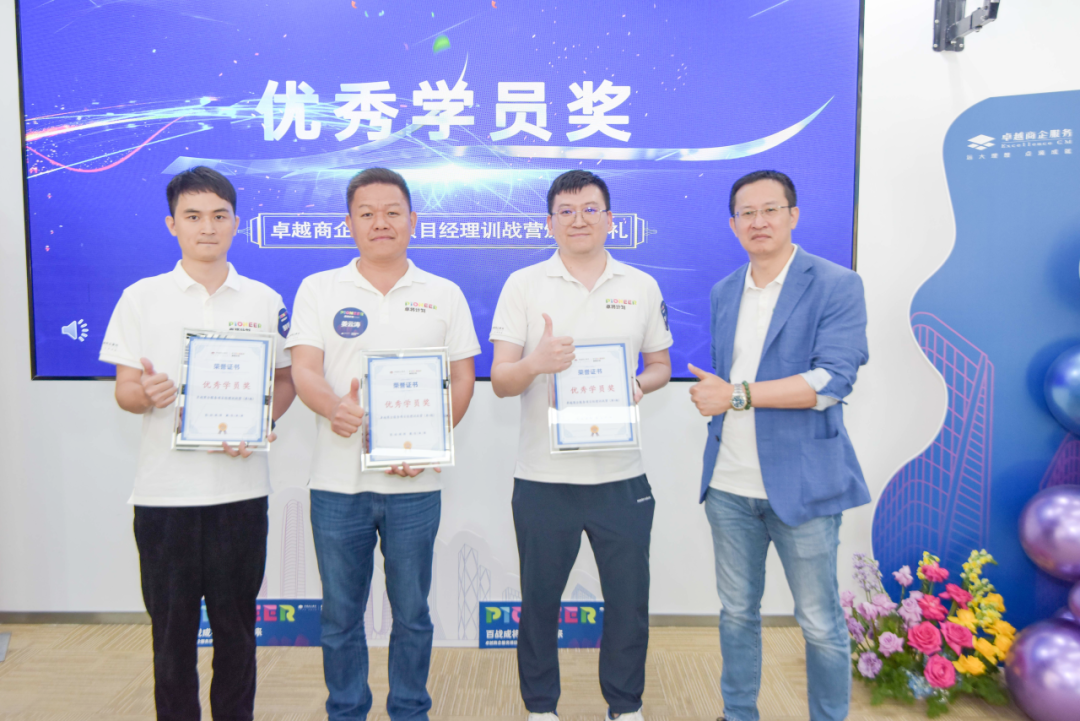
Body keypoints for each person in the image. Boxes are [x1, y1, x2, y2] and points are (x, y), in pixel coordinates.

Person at [99, 166, 296, 721]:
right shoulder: (141, 298)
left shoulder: (263, 300)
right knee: (171, 636)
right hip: (165, 499)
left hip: (241, 494)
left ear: (236, 223)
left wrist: (259, 422)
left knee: (237, 633)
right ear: (172, 224)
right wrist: (145, 393)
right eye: (192, 216)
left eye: (218, 216)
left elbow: (284, 381)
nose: (206, 227)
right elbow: (125, 391)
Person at [287, 167, 480, 721]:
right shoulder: (319, 289)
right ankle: (346, 710)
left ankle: (410, 710)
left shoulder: (443, 294)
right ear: (348, 223)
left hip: (415, 486)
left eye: (393, 212)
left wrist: (429, 443)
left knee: (413, 614)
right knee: (339, 616)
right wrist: (334, 407)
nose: (381, 222)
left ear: (412, 220)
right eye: (367, 213)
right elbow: (305, 370)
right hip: (337, 485)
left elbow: (463, 379)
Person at [490, 170, 673, 721]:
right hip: (543, 478)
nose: (579, 220)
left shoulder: (640, 285)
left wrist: (637, 385)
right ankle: (541, 707)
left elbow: (660, 365)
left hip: (621, 476)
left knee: (628, 603)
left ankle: (626, 705)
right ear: (549, 223)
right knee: (539, 603)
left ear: (610, 219)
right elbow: (501, 381)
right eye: (566, 211)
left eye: (590, 209)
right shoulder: (523, 284)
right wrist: (536, 363)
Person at [687, 170, 869, 721]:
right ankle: (738, 713)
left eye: (770, 209)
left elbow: (832, 381)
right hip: (728, 486)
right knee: (736, 613)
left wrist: (736, 395)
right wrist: (723, 396)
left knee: (818, 622)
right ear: (733, 224)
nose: (758, 221)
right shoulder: (724, 292)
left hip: (804, 485)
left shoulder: (836, 284)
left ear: (793, 215)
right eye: (747, 213)